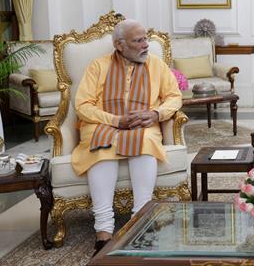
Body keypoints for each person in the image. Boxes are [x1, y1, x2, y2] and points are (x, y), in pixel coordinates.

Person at [71, 19, 182, 254]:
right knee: (100, 146)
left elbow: (174, 96)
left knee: (144, 142)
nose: (145, 44)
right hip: (104, 123)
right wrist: (115, 120)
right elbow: (82, 105)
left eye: (145, 39)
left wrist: (155, 113)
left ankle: (140, 223)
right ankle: (103, 231)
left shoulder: (157, 66)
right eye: (138, 40)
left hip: (142, 124)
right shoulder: (97, 66)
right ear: (119, 45)